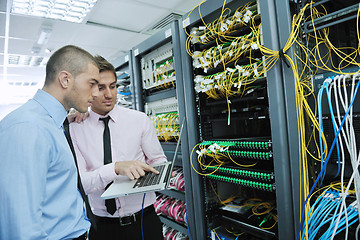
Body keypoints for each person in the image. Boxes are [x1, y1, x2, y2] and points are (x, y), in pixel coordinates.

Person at [0, 45, 100, 239]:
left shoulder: (51, 123)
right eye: (92, 83)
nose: (96, 93)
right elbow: (22, 227)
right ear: (65, 80)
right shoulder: (29, 127)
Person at [69, 55, 166, 240]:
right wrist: (114, 168)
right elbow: (80, 183)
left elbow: (159, 161)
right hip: (103, 228)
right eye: (100, 87)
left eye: (112, 86)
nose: (109, 94)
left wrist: (150, 174)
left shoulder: (139, 120)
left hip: (144, 221)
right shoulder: (75, 128)